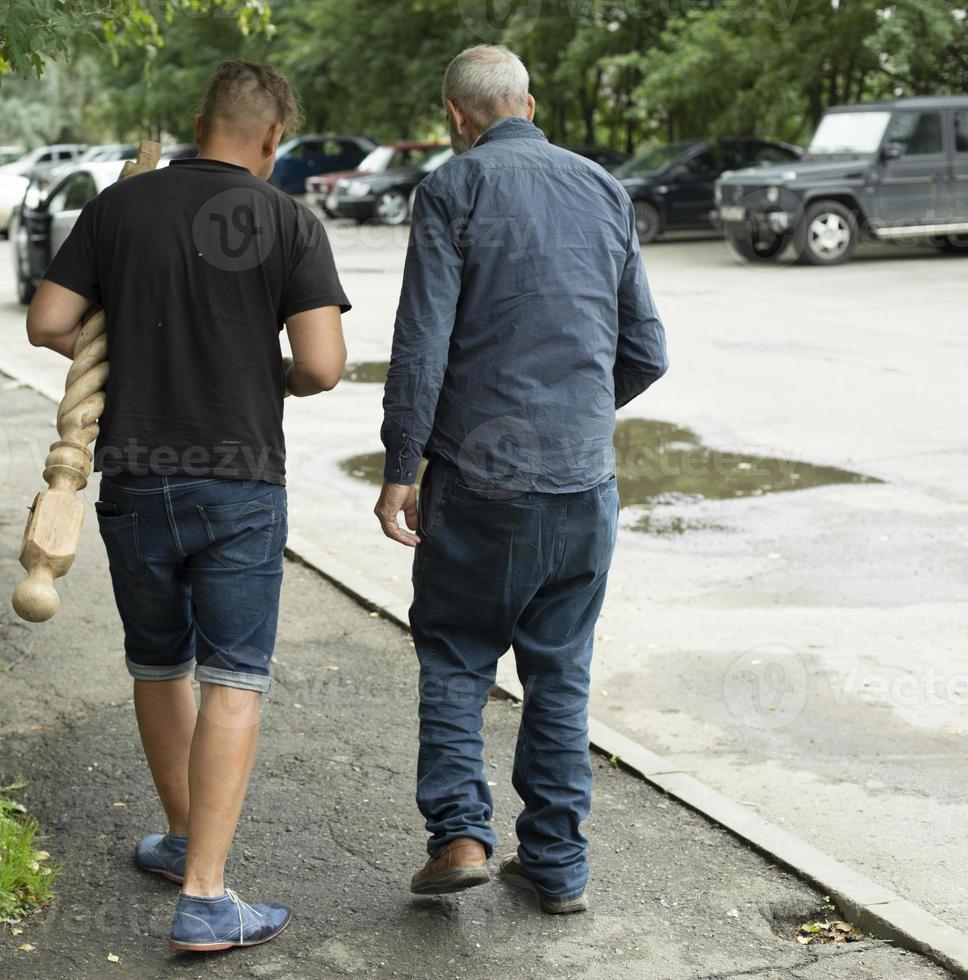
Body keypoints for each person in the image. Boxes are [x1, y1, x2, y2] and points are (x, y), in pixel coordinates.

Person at [25, 61, 349, 952]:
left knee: (159, 666)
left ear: (199, 121)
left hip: (135, 476)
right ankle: (206, 895)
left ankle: (181, 842)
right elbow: (322, 366)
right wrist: (262, 373)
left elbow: (50, 323)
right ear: (273, 141)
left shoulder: (119, 206)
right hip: (239, 481)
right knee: (234, 679)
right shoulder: (288, 221)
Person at [374, 45, 668, 912]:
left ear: (456, 119)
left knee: (458, 653)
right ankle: (556, 866)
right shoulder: (603, 189)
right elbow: (646, 351)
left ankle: (461, 836)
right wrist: (573, 419)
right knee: (561, 670)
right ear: (528, 106)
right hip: (584, 486)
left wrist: (402, 467)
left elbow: (423, 345)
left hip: (480, 483)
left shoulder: (452, 189)